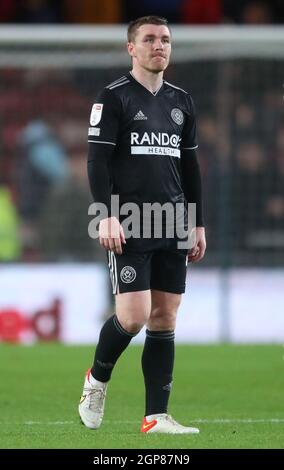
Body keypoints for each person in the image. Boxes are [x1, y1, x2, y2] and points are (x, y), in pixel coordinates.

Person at [79, 15, 206, 434]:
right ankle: (97, 380)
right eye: (149, 39)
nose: (160, 46)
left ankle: (156, 417)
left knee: (165, 318)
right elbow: (96, 161)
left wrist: (197, 223)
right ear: (131, 48)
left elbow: (190, 167)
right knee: (132, 318)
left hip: (173, 222)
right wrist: (107, 214)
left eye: (166, 39)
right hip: (129, 221)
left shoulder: (181, 101)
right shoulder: (113, 98)